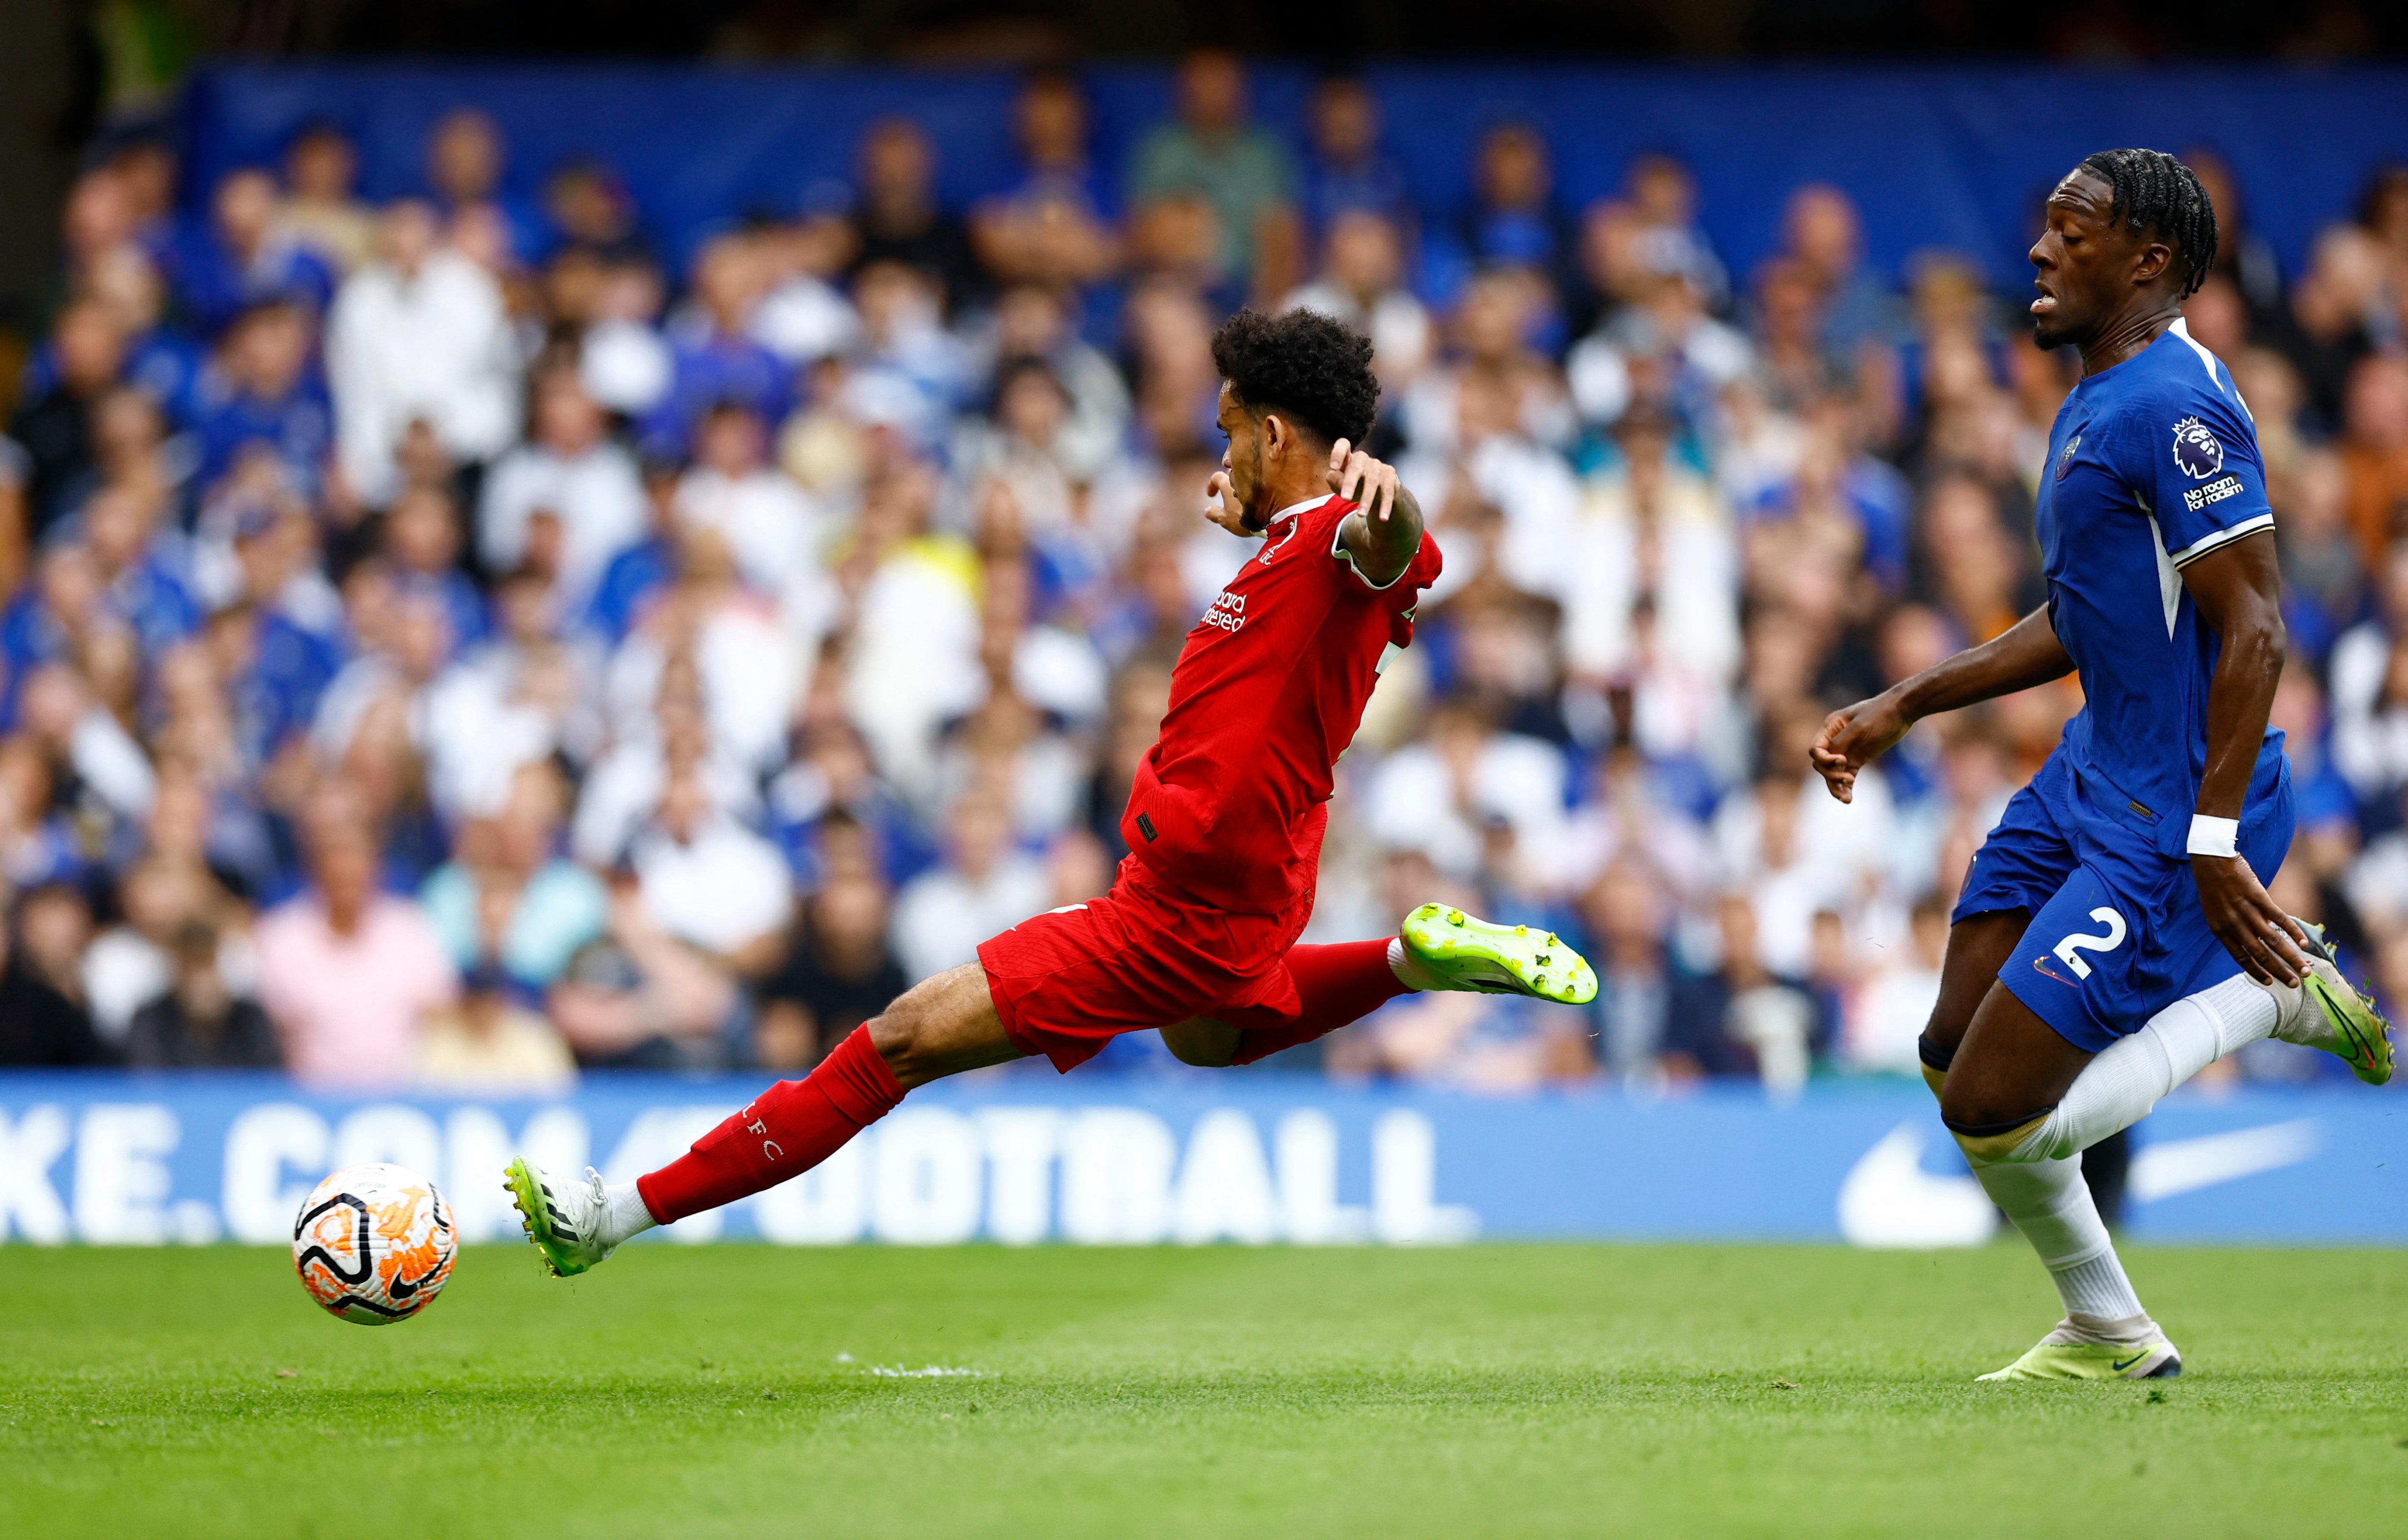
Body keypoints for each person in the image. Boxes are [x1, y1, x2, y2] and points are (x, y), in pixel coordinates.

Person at [506, 308, 1599, 1272]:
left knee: (895, 1041)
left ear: (1274, 435)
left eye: (1229, 430)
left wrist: (1388, 506)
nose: (1219, 451)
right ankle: (1411, 955)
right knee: (1206, 1038)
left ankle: (615, 1211)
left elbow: (1397, 550)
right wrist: (1281, 519)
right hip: (1249, 885)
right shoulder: (1289, 546)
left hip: (1183, 906)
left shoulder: (1341, 542)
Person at [1811, 149, 2393, 1382]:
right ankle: (2109, 1329)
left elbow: (2258, 626)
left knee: (1988, 1109)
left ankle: (2274, 994)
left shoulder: (2169, 409)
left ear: (2147, 262)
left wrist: (2213, 837)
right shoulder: (2098, 391)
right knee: (1945, 1050)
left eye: (2068, 233)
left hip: (2172, 809)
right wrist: (1903, 701)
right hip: (2090, 774)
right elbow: (2087, 614)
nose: (2035, 250)